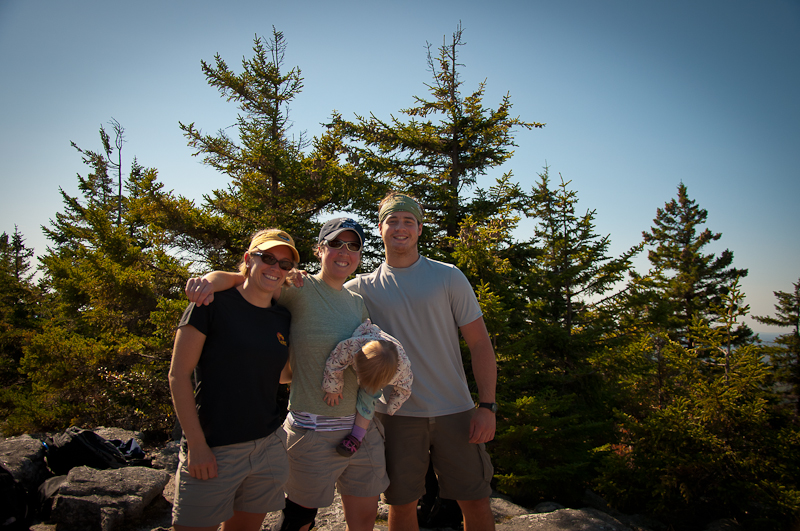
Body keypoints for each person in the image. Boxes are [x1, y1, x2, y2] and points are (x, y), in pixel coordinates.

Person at [184, 217, 388, 531]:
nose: (344, 250)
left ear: (360, 254)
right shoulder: (297, 287)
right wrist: (211, 280)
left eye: (353, 245)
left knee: (363, 521)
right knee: (298, 520)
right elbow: (249, 282)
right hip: (313, 430)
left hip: (361, 430)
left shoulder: (357, 303)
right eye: (335, 243)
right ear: (320, 249)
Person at [344, 192, 498, 531]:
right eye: (393, 221)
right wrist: (221, 279)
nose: (401, 228)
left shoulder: (448, 277)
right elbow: (309, 296)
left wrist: (486, 405)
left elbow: (480, 343)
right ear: (380, 228)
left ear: (420, 228)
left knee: (474, 500)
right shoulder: (360, 288)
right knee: (402, 504)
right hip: (395, 415)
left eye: (408, 221)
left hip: (455, 410)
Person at [169, 228, 298, 531]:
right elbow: (178, 376)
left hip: (268, 446)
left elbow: (279, 376)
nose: (275, 268)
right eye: (267, 258)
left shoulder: (282, 317)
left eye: (284, 264)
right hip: (215, 449)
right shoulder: (210, 303)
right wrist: (197, 446)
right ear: (247, 259)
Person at [322, 319, 413, 457]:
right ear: (356, 356)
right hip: (367, 337)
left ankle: (356, 437)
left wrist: (392, 406)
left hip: (387, 363)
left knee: (369, 398)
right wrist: (333, 388)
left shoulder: (402, 370)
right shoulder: (352, 347)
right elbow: (334, 361)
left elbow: (404, 389)